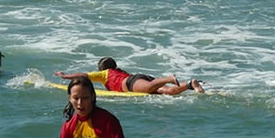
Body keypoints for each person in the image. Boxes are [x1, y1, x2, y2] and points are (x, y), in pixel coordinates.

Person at [55, 56, 204, 95]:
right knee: (170, 92)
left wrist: (66, 76)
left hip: (132, 83)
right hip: (138, 79)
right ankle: (190, 84)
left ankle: (169, 78)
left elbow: (83, 75)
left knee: (149, 88)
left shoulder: (104, 74)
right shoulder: (119, 71)